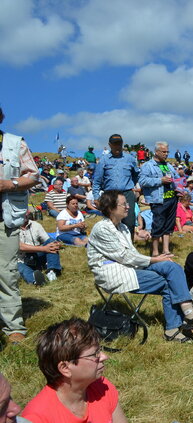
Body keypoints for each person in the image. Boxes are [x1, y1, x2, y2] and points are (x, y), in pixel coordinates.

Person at [87, 190, 193, 342]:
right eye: (124, 204)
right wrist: (154, 259)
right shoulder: (102, 228)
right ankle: (173, 328)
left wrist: (157, 258)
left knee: (173, 267)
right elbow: (124, 256)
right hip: (112, 272)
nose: (128, 206)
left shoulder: (123, 227)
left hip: (130, 266)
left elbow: (130, 255)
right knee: (168, 283)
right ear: (111, 207)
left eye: (128, 203)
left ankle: (189, 314)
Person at [21, 318, 127, 422]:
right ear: (65, 368)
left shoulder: (102, 387)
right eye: (95, 354)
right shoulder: (38, 418)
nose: (104, 357)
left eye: (100, 350)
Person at [0, 107, 40, 344]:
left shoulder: (16, 144)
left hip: (4, 219)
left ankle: (13, 325)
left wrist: (10, 184)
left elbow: (34, 176)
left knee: (6, 273)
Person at [92, 134, 140, 238]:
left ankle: (129, 247)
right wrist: (96, 197)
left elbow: (136, 175)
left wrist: (130, 185)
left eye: (119, 144)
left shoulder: (130, 159)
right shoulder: (104, 160)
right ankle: (111, 247)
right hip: (110, 195)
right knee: (110, 222)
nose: (117, 147)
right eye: (114, 144)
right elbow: (97, 180)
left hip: (127, 193)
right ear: (110, 145)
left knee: (130, 221)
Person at [139, 142, 178, 257]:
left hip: (171, 198)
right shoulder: (148, 165)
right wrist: (160, 180)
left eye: (167, 152)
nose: (166, 154)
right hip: (158, 199)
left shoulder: (169, 165)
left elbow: (175, 178)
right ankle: (155, 252)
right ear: (156, 152)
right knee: (158, 224)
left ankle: (166, 250)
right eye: (164, 152)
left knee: (168, 225)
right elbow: (142, 181)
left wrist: (179, 187)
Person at [19, 213, 62, 285]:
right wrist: (44, 248)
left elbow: (47, 240)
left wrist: (56, 244)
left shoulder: (36, 225)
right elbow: (20, 247)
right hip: (21, 259)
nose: (23, 214)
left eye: (25, 211)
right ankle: (35, 280)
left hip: (37, 255)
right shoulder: (10, 228)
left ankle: (51, 271)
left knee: (51, 243)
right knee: (20, 268)